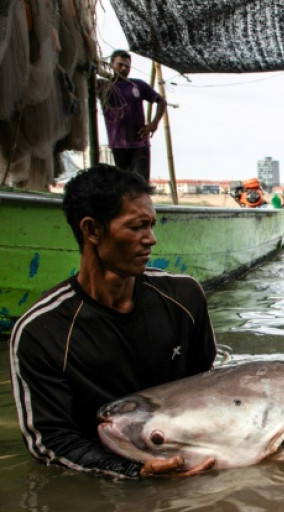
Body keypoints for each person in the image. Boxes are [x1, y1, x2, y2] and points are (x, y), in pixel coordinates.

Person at [10, 164, 217, 478]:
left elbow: (209, 388)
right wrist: (131, 472)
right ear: (92, 230)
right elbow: (49, 442)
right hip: (107, 471)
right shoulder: (40, 332)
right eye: (137, 227)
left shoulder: (185, 298)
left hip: (190, 461)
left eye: (152, 225)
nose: (152, 240)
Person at [97, 50, 167, 181]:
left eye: (127, 66)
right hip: (117, 144)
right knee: (122, 185)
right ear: (111, 64)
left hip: (139, 144)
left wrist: (154, 123)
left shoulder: (137, 85)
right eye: (120, 64)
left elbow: (161, 102)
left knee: (140, 184)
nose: (124, 68)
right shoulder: (103, 86)